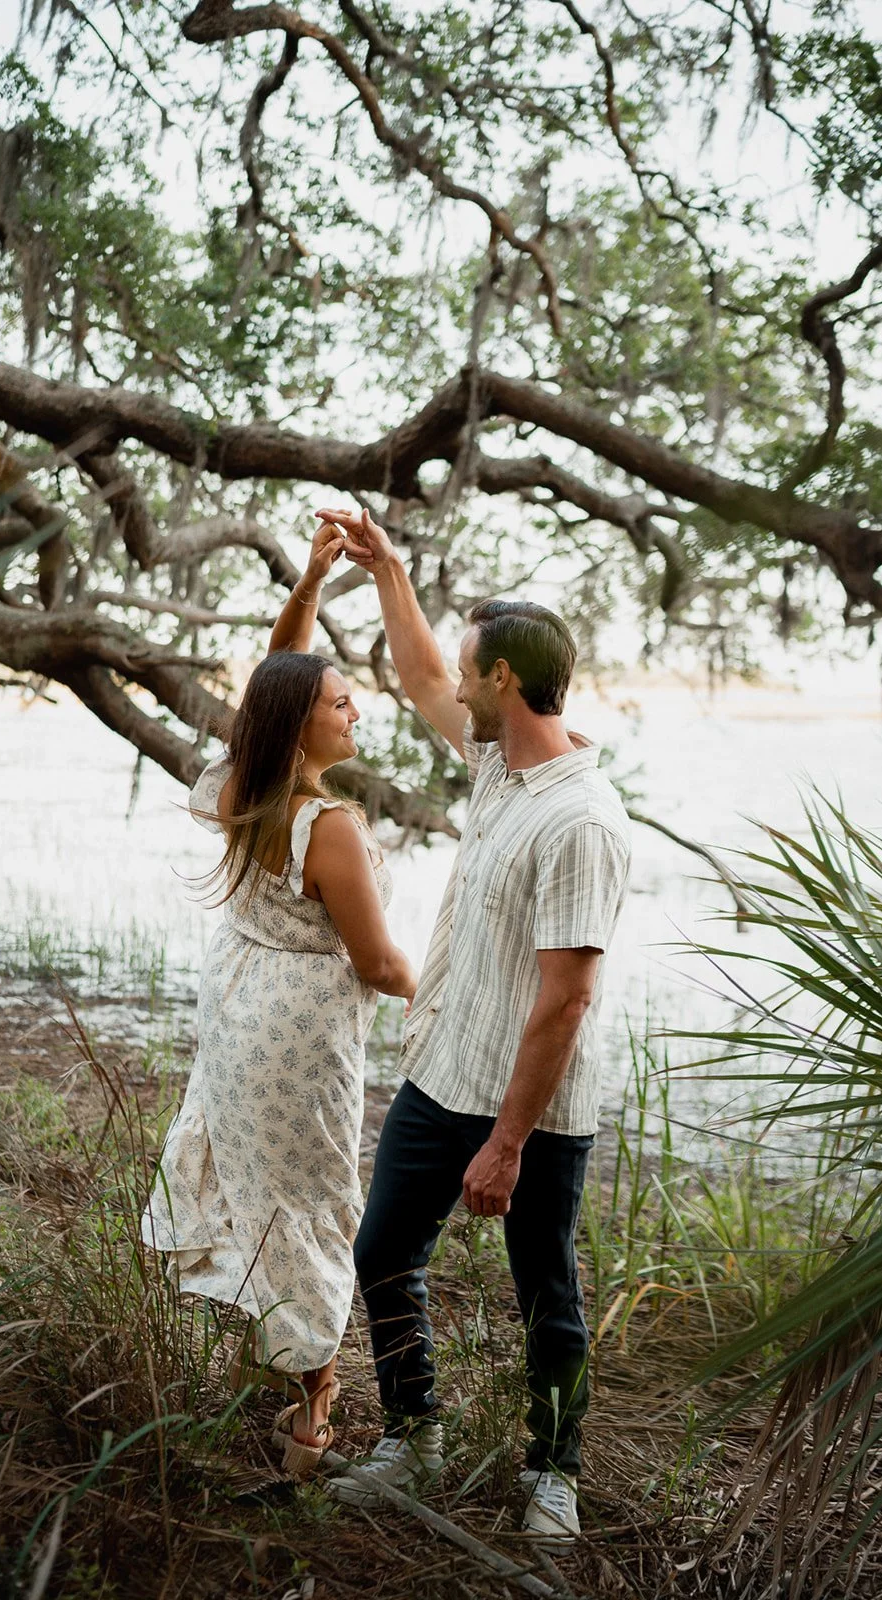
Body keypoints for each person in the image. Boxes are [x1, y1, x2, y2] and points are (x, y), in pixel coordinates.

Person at [317, 505, 631, 1544]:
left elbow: (568, 997)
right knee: (381, 1253)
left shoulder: (580, 819)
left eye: (469, 673)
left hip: (527, 1110)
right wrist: (389, 573)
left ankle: (555, 1471)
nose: (452, 688)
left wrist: (506, 1140)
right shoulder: (501, 764)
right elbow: (414, 677)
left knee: (546, 1289)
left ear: (504, 681)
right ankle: (415, 1433)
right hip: (442, 1068)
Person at [141, 520, 415, 1476]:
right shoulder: (326, 824)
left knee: (272, 1195)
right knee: (314, 1204)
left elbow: (274, 672)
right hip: (299, 1036)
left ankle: (292, 1390)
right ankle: (311, 1426)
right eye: (342, 705)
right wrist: (454, 1005)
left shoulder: (239, 786)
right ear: (303, 724)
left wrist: (309, 580)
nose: (356, 715)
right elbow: (379, 965)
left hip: (237, 1010)